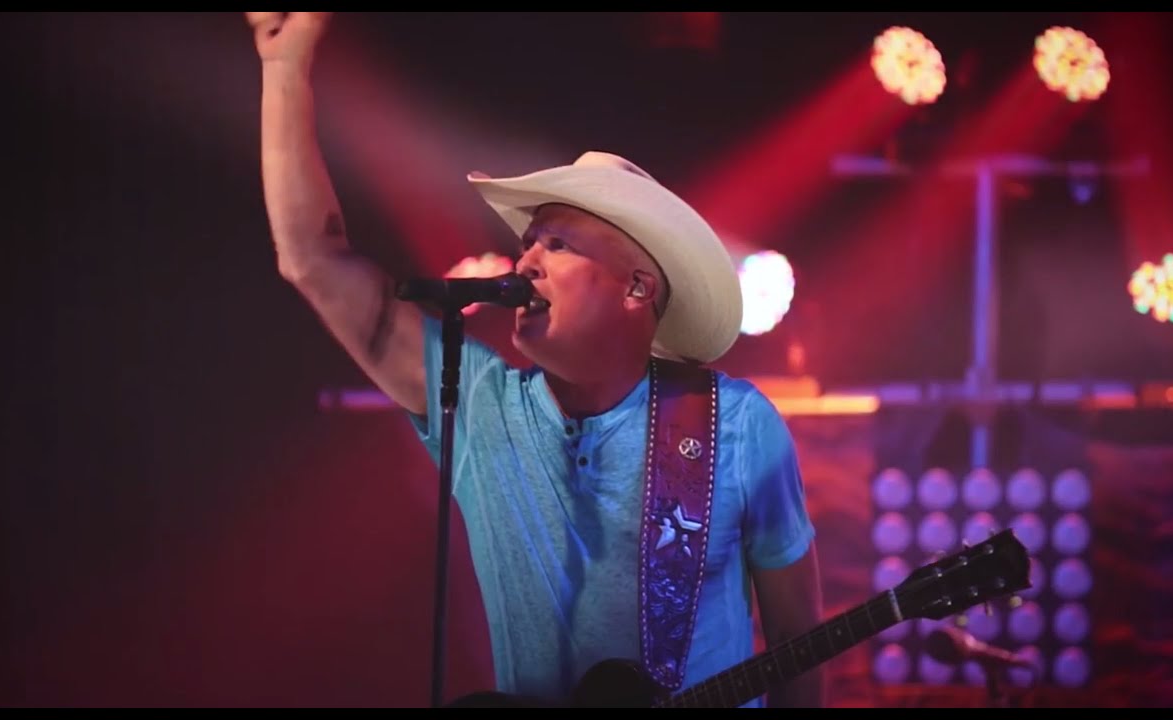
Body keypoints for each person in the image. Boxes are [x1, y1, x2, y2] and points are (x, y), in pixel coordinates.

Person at [245, 11, 825, 708]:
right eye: (530, 241)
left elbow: (798, 644)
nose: (525, 259)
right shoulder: (484, 407)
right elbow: (314, 259)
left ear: (638, 287)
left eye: (556, 244)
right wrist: (284, 72)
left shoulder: (732, 427)